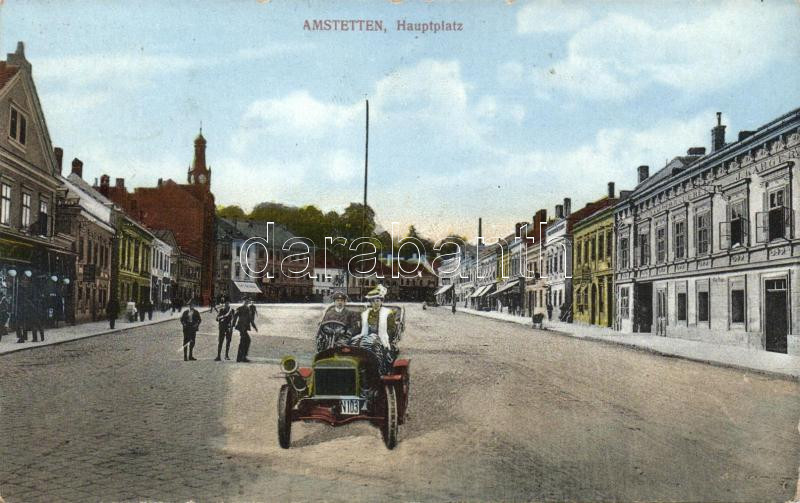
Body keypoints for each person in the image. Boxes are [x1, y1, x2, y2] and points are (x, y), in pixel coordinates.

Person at [351, 285, 399, 374]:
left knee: (373, 346)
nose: (375, 303)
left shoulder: (387, 313)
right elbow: (362, 329)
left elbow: (391, 329)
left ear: (381, 301)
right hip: (366, 336)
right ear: (370, 302)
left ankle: (378, 370)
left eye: (377, 301)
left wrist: (385, 339)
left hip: (381, 338)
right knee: (355, 344)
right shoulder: (365, 313)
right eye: (373, 301)